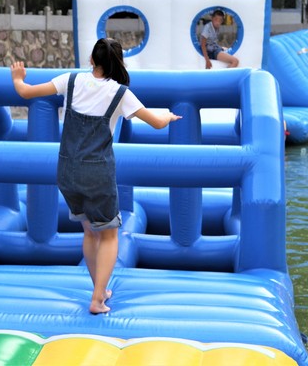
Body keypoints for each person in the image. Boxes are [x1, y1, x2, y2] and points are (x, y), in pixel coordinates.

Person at [11, 38, 181, 314]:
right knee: (110, 236)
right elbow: (157, 123)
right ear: (118, 62)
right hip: (97, 172)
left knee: (90, 232)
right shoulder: (120, 93)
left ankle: (99, 289)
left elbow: (26, 92)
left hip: (67, 171)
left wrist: (18, 78)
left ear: (92, 59)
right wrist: (170, 117)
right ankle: (97, 299)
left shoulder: (71, 80)